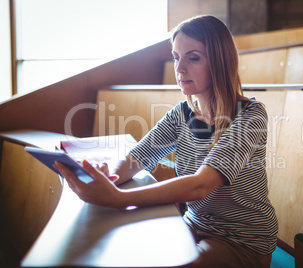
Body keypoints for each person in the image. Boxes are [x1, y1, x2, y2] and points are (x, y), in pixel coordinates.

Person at [54, 15, 278, 268]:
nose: (179, 69)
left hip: (242, 240)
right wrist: (110, 179)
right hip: (194, 222)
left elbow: (200, 186)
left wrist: (116, 197)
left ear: (219, 62)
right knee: (139, 250)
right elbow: (136, 158)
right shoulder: (181, 113)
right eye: (176, 57)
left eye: (193, 58)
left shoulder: (250, 115)